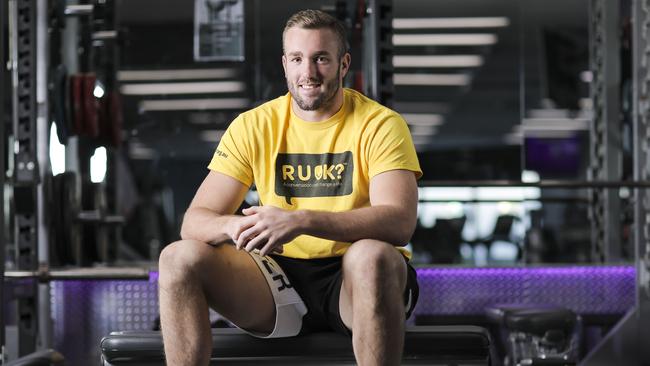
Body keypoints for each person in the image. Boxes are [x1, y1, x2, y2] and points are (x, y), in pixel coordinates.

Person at [158, 9, 422, 366]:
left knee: (371, 256)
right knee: (177, 259)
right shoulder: (254, 126)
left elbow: (399, 223)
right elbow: (194, 222)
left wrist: (300, 220)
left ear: (344, 64)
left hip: (357, 282)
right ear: (284, 64)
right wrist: (234, 225)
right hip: (276, 280)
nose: (308, 73)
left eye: (321, 59)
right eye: (297, 59)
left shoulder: (380, 125)